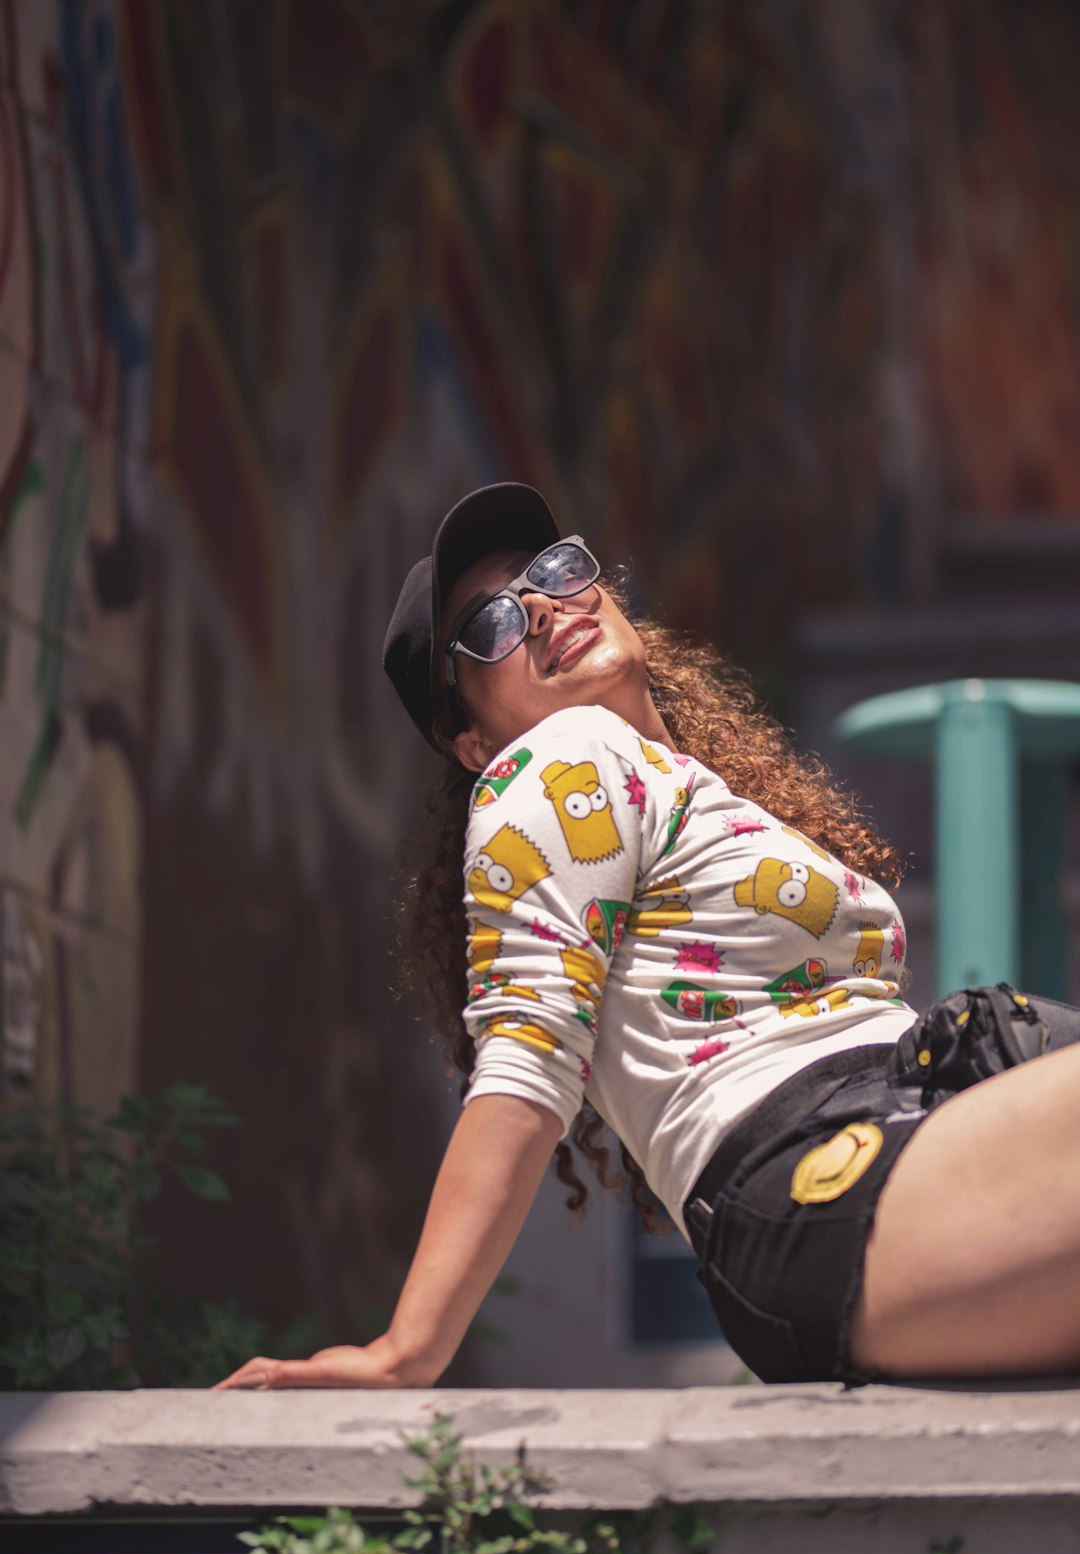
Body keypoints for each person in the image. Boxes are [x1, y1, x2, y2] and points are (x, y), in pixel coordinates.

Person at [217, 482, 1080, 1392]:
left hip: (893, 1159)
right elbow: (526, 1055)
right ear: (471, 742)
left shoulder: (674, 782)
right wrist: (408, 1351)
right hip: (828, 1183)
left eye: (554, 572)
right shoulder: (560, 758)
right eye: (492, 626)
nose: (545, 607)